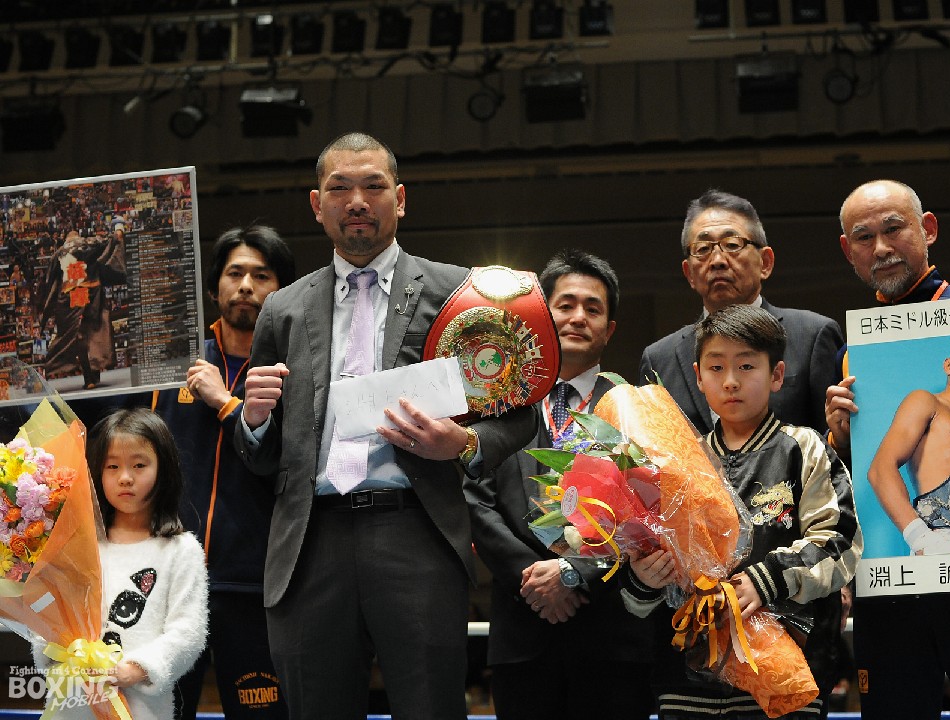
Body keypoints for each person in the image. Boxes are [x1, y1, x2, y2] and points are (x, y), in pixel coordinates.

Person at [234, 132, 539, 719]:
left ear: (400, 199)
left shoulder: (458, 291)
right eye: (339, 188)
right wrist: (253, 420)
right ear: (316, 204)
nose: (356, 201)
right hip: (310, 540)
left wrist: (465, 442)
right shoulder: (283, 309)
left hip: (416, 531)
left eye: (373, 186)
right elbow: (264, 457)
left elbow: (518, 408)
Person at [623, 304, 862, 719]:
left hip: (785, 675)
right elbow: (644, 572)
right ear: (698, 377)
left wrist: (763, 581)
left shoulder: (804, 448)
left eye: (747, 366)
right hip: (686, 680)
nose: (730, 381)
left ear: (777, 375)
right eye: (716, 368)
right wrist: (644, 579)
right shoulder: (672, 462)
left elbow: (838, 542)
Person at [465, 249, 655, 720]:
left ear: (610, 329)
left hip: (613, 634)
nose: (578, 317)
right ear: (541, 318)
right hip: (523, 627)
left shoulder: (635, 409)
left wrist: (575, 574)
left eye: (593, 308)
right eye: (565, 305)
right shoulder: (500, 399)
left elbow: (651, 512)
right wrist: (533, 577)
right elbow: (474, 501)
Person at [826, 179, 950, 720]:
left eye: (893, 229)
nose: (880, 248)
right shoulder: (851, 354)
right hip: (896, 579)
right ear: (848, 251)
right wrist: (841, 436)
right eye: (864, 237)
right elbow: (869, 469)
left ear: (928, 229)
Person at [156, 225, 294, 720]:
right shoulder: (169, 364)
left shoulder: (297, 369)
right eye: (235, 274)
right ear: (215, 287)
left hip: (257, 587)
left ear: (283, 291)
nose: (246, 286)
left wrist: (223, 401)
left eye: (262, 275)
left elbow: (286, 461)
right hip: (167, 584)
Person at [36, 408, 208, 720]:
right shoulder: (77, 544)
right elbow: (46, 614)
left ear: (163, 469)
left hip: (141, 708)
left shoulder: (180, 550)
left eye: (139, 465)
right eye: (112, 466)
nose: (125, 477)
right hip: (72, 703)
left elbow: (189, 631)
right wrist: (62, 652)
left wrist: (136, 669)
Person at [639, 190, 842, 436]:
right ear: (689, 273)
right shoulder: (659, 358)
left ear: (765, 262)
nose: (717, 260)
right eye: (702, 249)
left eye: (732, 245)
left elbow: (837, 437)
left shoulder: (812, 335)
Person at [868, 338, 950, 555]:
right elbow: (881, 468)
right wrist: (921, 538)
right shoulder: (927, 402)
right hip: (943, 539)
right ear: (948, 365)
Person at [40, 227, 126, 389]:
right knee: (93, 331)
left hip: (71, 296)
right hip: (91, 294)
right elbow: (107, 241)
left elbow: (49, 282)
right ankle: (92, 373)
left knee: (79, 335)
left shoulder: (59, 253)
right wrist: (117, 234)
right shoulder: (87, 243)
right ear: (77, 237)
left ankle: (90, 375)